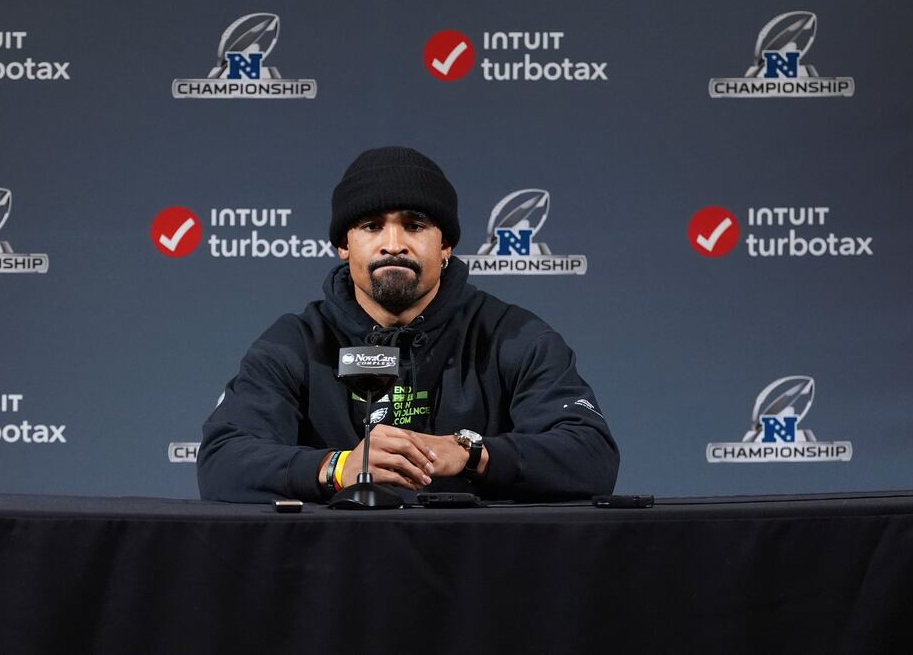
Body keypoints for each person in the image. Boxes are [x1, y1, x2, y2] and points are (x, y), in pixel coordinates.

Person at [198, 147, 619, 503]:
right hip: (337, 576)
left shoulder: (515, 336)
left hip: (480, 576)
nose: (394, 243)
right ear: (344, 245)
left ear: (446, 244)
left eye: (415, 225)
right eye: (371, 226)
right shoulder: (295, 344)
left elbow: (592, 457)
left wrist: (472, 453)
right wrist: (338, 466)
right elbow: (222, 462)